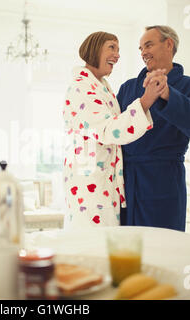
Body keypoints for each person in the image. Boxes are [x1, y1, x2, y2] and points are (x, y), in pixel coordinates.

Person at [117, 25, 190, 231]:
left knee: (164, 246)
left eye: (149, 45)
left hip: (163, 181)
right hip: (126, 182)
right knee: (125, 247)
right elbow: (113, 129)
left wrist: (168, 94)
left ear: (169, 44)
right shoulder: (127, 88)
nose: (143, 52)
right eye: (140, 48)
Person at [63, 31, 167, 229]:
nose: (117, 55)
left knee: (104, 242)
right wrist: (146, 101)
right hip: (89, 182)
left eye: (118, 50)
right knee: (94, 245)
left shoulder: (101, 86)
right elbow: (109, 130)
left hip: (103, 180)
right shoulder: (81, 88)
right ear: (94, 49)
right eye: (111, 47)